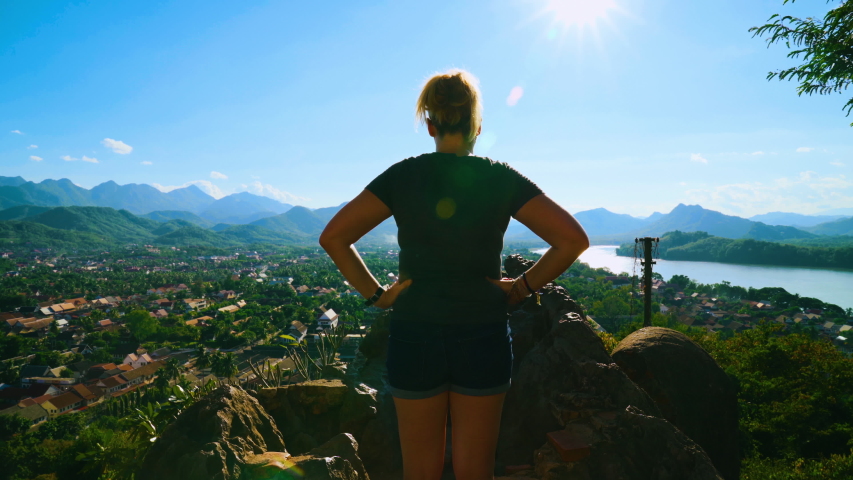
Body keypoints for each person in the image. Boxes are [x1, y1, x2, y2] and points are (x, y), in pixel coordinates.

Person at [319, 69, 589, 480]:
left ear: (430, 124)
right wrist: (522, 288)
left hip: (415, 333)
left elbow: (334, 236)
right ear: (476, 124)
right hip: (482, 332)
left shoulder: (403, 175)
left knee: (420, 472)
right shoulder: (499, 177)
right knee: (475, 471)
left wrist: (378, 295)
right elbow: (571, 239)